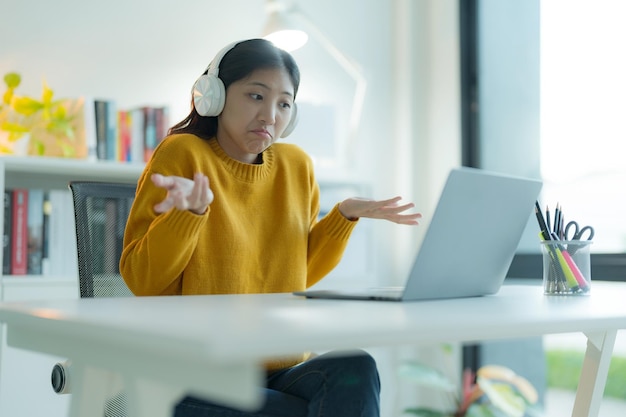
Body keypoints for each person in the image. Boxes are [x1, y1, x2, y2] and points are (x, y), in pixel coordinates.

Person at [120, 38, 421, 417]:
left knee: (354, 368)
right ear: (214, 96)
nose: (270, 116)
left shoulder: (296, 166)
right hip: (192, 375)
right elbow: (141, 279)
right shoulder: (182, 154)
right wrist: (189, 215)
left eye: (283, 103)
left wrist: (342, 218)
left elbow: (299, 274)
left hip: (277, 370)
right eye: (256, 96)